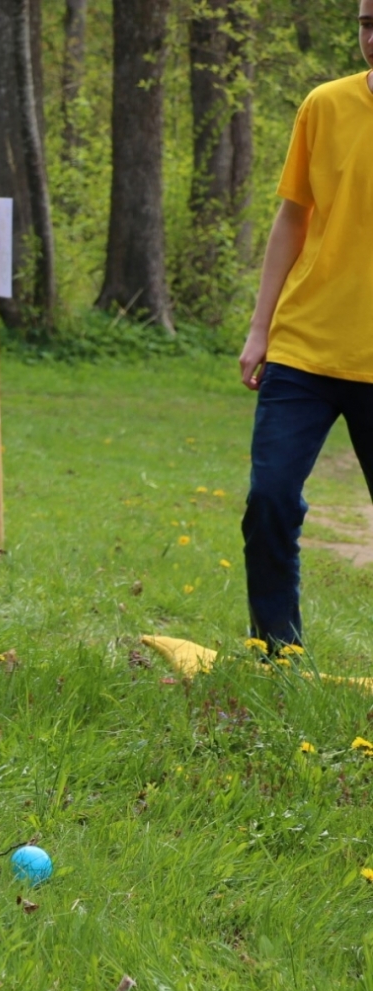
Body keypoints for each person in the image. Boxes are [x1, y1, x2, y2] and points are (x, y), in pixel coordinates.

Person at [236, 0, 373, 654]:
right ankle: (275, 648)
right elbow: (292, 217)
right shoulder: (324, 105)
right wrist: (261, 328)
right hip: (305, 348)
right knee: (269, 500)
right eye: (367, 22)